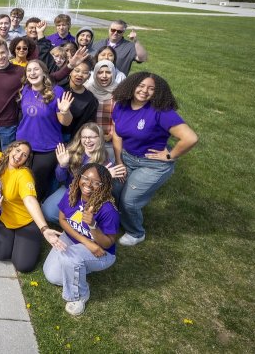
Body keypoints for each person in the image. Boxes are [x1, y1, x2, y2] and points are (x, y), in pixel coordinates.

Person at [111, 72, 198, 246]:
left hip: (152, 165)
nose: (144, 91)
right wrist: (119, 160)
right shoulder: (121, 105)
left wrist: (169, 155)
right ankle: (118, 220)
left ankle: (136, 232)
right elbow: (117, 134)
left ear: (157, 92)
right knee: (115, 191)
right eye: (141, 86)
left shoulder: (161, 111)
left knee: (130, 200)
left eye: (151, 88)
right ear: (132, 85)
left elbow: (190, 138)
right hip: (127, 158)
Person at [0, 117, 66, 272]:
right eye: (18, 150)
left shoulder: (24, 174)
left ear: (26, 159)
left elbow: (31, 201)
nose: (19, 156)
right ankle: (12, 238)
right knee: (0, 254)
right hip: (4, 220)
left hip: (26, 222)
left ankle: (35, 236)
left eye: (24, 155)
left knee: (23, 266)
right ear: (10, 149)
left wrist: (44, 228)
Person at [43, 163, 120, 316]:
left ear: (103, 186)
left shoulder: (108, 210)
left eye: (96, 182)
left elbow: (107, 243)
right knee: (52, 276)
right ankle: (80, 269)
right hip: (77, 241)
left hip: (101, 252)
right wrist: (86, 242)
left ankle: (79, 296)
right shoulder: (72, 192)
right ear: (79, 177)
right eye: (85, 178)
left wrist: (92, 225)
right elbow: (63, 220)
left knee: (70, 259)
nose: (88, 184)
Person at [41, 123, 126, 223]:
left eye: (92, 137)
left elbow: (102, 191)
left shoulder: (105, 159)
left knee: (91, 217)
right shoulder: (72, 152)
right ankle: (74, 222)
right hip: (70, 189)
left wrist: (106, 178)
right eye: (84, 137)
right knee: (48, 212)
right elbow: (60, 178)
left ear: (100, 138)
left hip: (89, 195)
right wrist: (63, 166)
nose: (87, 140)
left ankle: (82, 225)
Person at [15, 60, 75, 201]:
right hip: (24, 144)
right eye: (29, 70)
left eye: (36, 69)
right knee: (21, 176)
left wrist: (65, 112)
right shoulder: (24, 90)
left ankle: (35, 210)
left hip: (47, 146)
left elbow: (66, 122)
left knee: (37, 181)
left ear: (43, 72)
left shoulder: (57, 92)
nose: (32, 73)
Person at [84, 60, 120, 151]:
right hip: (87, 139)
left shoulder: (119, 92)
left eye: (108, 72)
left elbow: (120, 118)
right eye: (100, 72)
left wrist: (111, 134)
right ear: (95, 74)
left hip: (109, 139)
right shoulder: (87, 89)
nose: (104, 76)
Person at [62, 59, 98, 139]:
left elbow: (89, 124)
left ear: (88, 76)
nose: (80, 75)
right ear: (70, 72)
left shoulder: (90, 99)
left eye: (85, 73)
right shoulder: (59, 88)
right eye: (77, 70)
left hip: (72, 139)